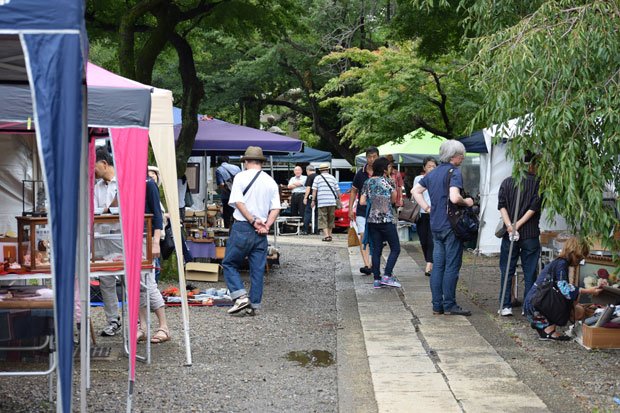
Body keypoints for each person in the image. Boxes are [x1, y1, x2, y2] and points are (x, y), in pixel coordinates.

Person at [412, 140, 474, 316]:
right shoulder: (454, 172)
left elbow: (415, 191)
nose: (463, 158)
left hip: (436, 224)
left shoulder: (432, 173)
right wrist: (467, 201)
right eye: (461, 155)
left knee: (438, 266)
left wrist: (427, 208)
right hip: (451, 226)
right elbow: (455, 198)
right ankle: (450, 304)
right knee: (452, 266)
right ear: (454, 156)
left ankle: (437, 305)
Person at [223, 146, 280, 316]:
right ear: (261, 162)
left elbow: (238, 202)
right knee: (257, 268)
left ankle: (240, 297)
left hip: (243, 226)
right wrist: (267, 225)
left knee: (229, 263)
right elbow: (276, 207)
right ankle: (254, 304)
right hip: (262, 231)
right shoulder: (270, 181)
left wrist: (252, 220)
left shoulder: (240, 177)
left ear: (246, 161)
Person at [524, 237, 602, 341]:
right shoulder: (562, 264)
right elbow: (564, 289)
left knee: (571, 296)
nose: (579, 261)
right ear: (574, 253)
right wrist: (588, 291)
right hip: (535, 305)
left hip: (532, 303)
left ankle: (546, 328)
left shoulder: (557, 262)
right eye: (579, 258)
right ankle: (549, 329)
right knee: (571, 301)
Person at [497, 154, 542, 316]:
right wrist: (518, 225)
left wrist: (510, 226)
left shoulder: (507, 181)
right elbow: (533, 208)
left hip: (509, 234)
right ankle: (528, 307)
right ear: (533, 166)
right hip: (529, 234)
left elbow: (501, 206)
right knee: (530, 271)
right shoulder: (538, 184)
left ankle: (505, 305)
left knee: (507, 269)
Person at [360, 157, 401, 289]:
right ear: (384, 169)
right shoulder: (389, 181)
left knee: (376, 249)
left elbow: (362, 201)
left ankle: (377, 279)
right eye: (389, 167)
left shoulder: (367, 182)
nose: (390, 169)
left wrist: (374, 203)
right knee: (395, 248)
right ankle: (387, 275)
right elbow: (394, 199)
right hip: (386, 219)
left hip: (372, 220)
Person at [140, 171, 171, 344]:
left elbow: (158, 216)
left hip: (147, 237)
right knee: (135, 284)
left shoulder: (148, 183)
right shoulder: (126, 181)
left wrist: (156, 241)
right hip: (131, 238)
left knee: (149, 282)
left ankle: (163, 326)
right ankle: (143, 327)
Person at [94, 147, 122, 336]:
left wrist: (104, 211)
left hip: (120, 236)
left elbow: (119, 208)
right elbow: (95, 210)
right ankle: (113, 320)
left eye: (93, 165)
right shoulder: (96, 186)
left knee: (128, 277)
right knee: (105, 279)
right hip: (101, 236)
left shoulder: (122, 180)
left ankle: (138, 321)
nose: (92, 170)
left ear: (104, 163)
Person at [350, 146, 379, 275]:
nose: (372, 159)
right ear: (366, 158)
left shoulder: (381, 172)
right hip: (362, 209)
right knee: (363, 235)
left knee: (375, 237)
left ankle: (373, 263)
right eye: (369, 157)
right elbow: (354, 191)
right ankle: (367, 264)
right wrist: (350, 208)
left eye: (374, 157)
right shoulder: (360, 173)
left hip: (378, 211)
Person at [412, 157, 437, 277]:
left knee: (431, 239)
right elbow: (414, 194)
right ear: (424, 168)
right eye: (429, 166)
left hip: (434, 213)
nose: (431, 168)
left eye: (433, 166)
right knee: (423, 240)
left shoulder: (439, 179)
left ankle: (429, 264)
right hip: (421, 213)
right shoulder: (419, 179)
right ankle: (428, 260)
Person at [147, 166, 167, 283]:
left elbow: (158, 215)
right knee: (155, 267)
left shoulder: (152, 189)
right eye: (149, 174)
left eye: (153, 174)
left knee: (155, 268)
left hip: (155, 234)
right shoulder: (150, 190)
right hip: (153, 234)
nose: (151, 176)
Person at [312, 162, 340, 242]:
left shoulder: (317, 178)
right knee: (331, 218)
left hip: (322, 201)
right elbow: (338, 190)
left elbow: (314, 190)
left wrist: (313, 200)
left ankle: (326, 235)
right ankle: (330, 235)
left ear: (320, 170)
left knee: (323, 218)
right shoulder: (332, 178)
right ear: (327, 170)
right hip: (332, 201)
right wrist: (339, 200)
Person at [215, 156, 241, 228]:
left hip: (227, 196)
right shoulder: (237, 168)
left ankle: (228, 230)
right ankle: (236, 228)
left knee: (227, 215)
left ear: (218, 162)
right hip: (238, 196)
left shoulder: (219, 170)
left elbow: (221, 184)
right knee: (237, 213)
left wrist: (227, 190)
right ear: (228, 160)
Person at [303, 165, 319, 234]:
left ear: (307, 170)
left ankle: (305, 230)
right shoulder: (319, 176)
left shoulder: (310, 177)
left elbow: (308, 188)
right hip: (319, 197)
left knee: (308, 213)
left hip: (311, 197)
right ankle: (316, 230)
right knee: (317, 214)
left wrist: (305, 197)